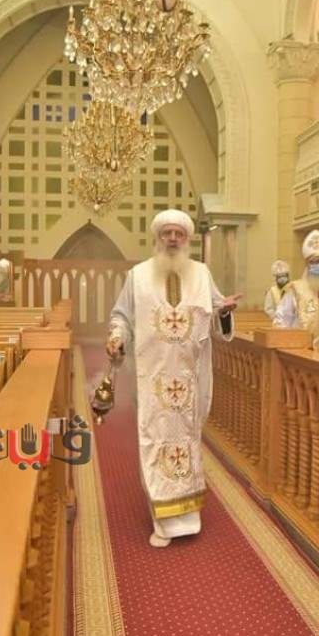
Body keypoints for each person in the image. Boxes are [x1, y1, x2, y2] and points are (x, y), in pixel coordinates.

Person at [106, 209, 241, 548]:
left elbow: (215, 312)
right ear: (157, 237)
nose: (172, 239)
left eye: (178, 234)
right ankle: (163, 522)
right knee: (155, 442)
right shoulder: (138, 276)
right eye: (166, 233)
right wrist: (117, 336)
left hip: (190, 379)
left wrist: (224, 312)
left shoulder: (201, 273)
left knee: (187, 445)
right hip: (153, 379)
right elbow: (122, 316)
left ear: (187, 239)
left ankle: (188, 517)